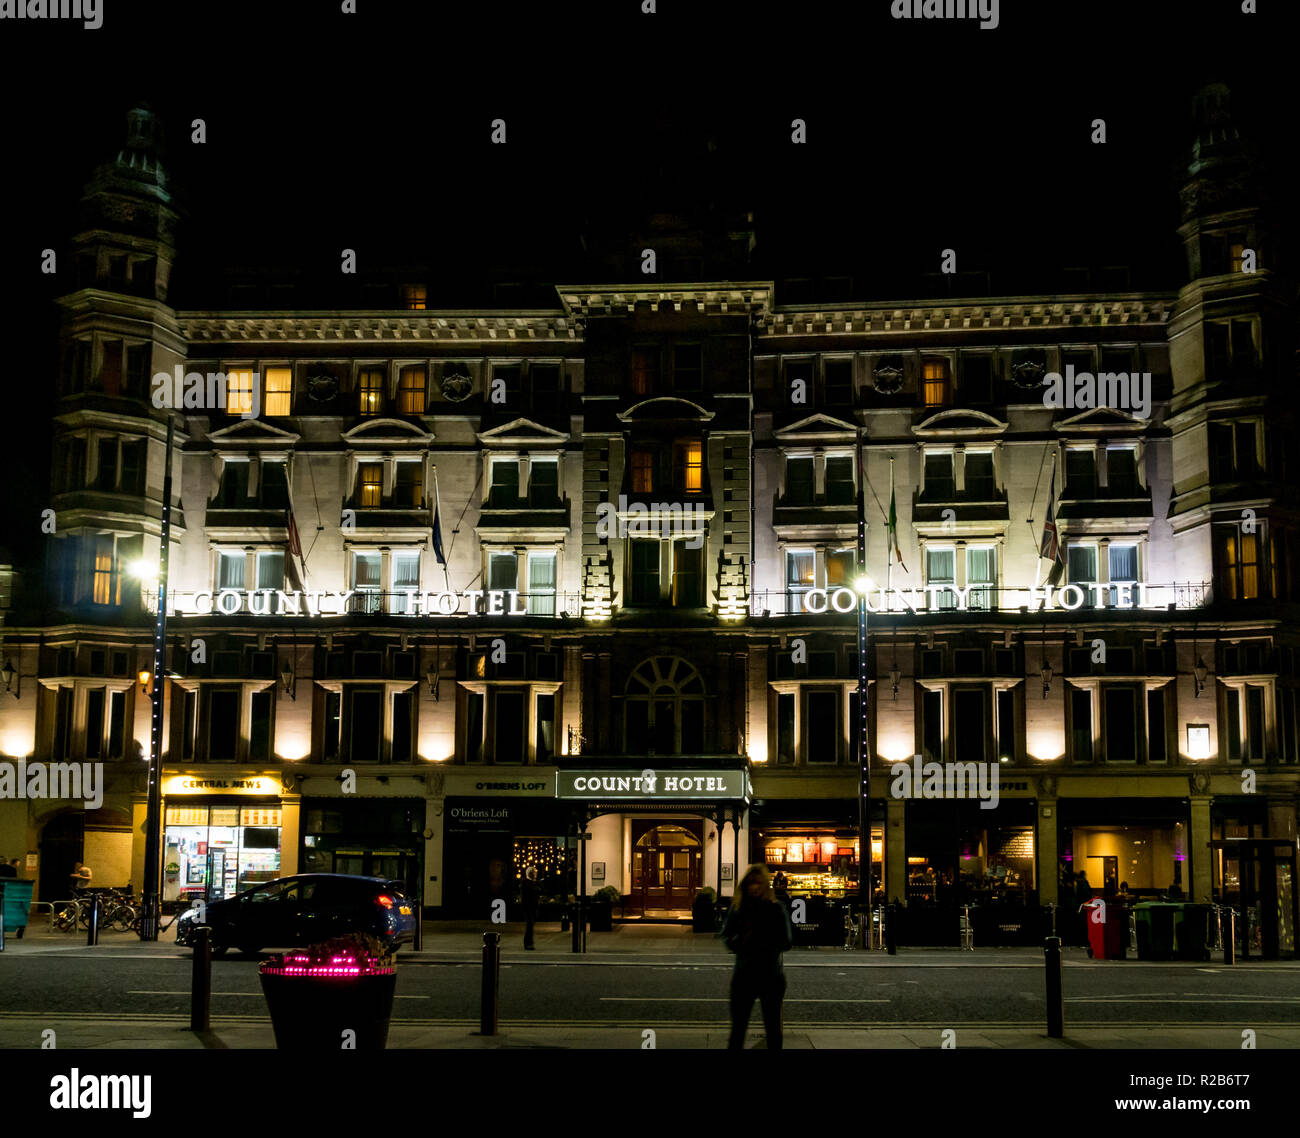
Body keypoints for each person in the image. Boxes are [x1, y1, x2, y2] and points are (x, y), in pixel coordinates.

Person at [723, 864, 793, 1050]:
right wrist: (740, 942)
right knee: (739, 1029)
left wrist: (760, 943)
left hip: (768, 974)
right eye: (750, 883)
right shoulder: (739, 909)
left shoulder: (775, 909)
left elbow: (786, 941)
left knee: (772, 1030)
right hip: (747, 974)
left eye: (757, 883)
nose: (754, 887)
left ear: (764, 886)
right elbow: (727, 937)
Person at [521, 866, 540, 950]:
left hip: (532, 907)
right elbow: (528, 896)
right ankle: (528, 943)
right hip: (529, 908)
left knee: (530, 925)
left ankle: (529, 942)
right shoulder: (527, 883)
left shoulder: (529, 883)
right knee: (529, 925)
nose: (535, 874)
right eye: (534, 873)